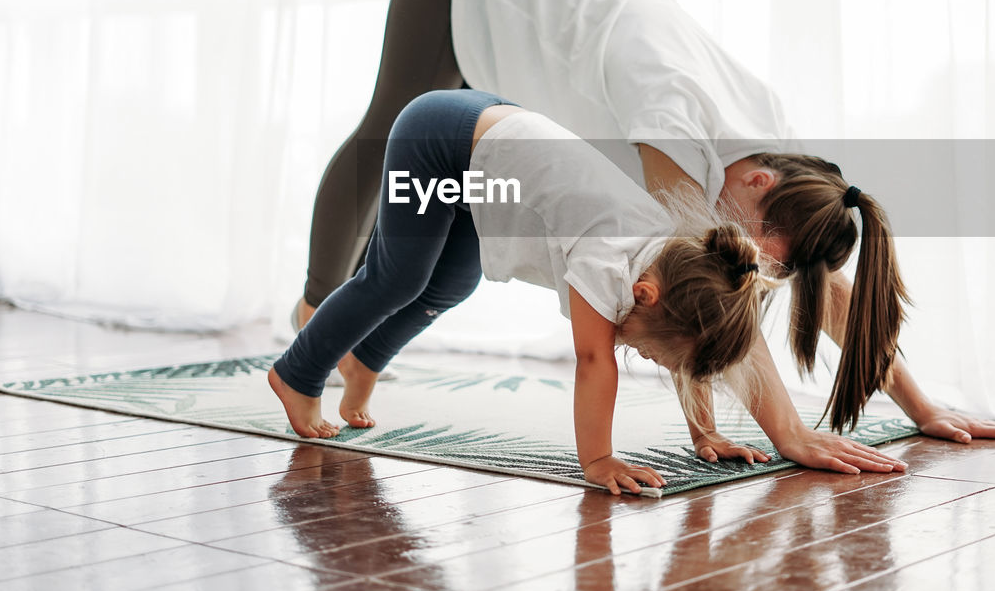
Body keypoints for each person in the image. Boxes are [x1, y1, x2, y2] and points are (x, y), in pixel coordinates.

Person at [296, 0, 995, 465]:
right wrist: (787, 432)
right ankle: (314, 312)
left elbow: (815, 288)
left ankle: (356, 343)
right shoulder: (673, 122)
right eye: (763, 258)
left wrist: (922, 403)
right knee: (384, 130)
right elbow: (703, 301)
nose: (756, 269)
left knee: (443, 257)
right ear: (757, 190)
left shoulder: (776, 154)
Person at [272, 89, 910, 495]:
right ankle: (298, 373)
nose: (647, 360)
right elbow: (593, 360)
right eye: (653, 356)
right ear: (644, 296)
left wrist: (704, 434)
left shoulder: (677, 270)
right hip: (439, 139)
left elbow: (690, 351)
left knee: (451, 282)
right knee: (398, 275)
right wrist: (599, 460)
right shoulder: (610, 263)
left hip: (486, 172)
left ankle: (361, 363)